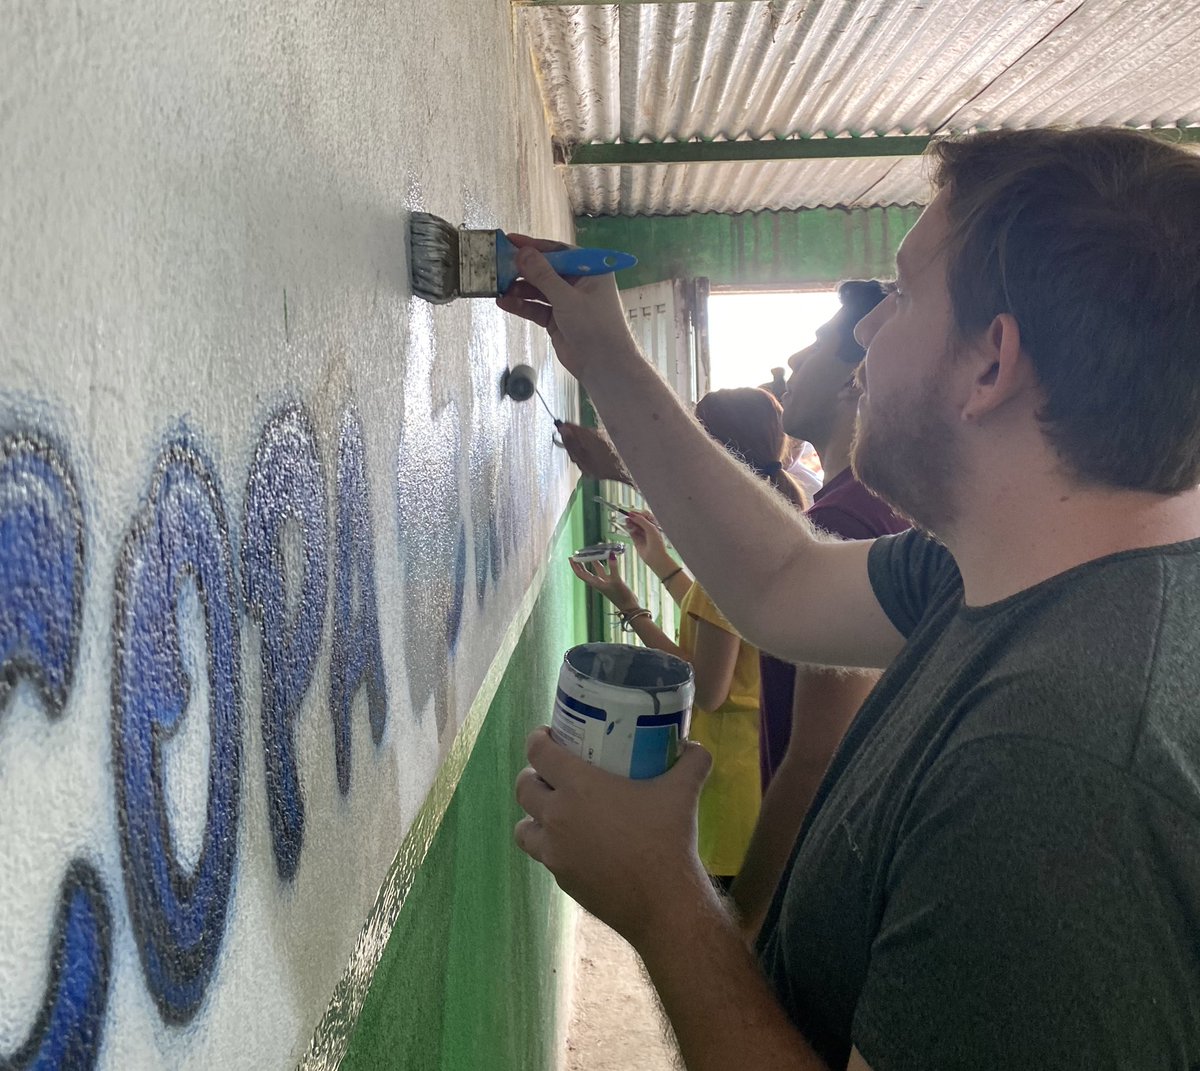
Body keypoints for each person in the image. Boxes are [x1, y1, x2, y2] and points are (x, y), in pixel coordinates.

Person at [499, 127, 1200, 1069]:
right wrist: (608, 359)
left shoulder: (1059, 772)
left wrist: (664, 899)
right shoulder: (993, 568)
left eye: (903, 293)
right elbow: (779, 581)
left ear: (991, 365)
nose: (867, 331)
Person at [570, 387, 808, 882]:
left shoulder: (734, 551)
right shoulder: (766, 530)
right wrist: (659, 562)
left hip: (730, 791)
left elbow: (709, 687)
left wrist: (630, 608)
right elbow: (726, 626)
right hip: (749, 777)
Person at [732, 281, 908, 936]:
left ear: (852, 383)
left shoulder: (844, 520)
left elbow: (816, 755)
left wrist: (741, 917)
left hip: (820, 876)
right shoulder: (869, 506)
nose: (794, 364)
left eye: (811, 351)